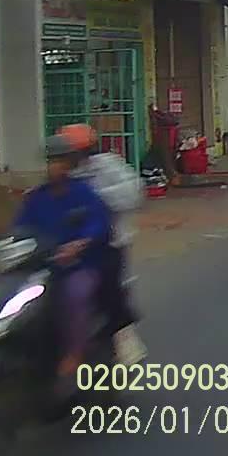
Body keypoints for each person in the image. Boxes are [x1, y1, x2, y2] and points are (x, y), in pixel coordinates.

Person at [13, 135, 113, 383]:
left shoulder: (83, 193)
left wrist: (79, 244)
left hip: (79, 266)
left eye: (59, 161)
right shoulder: (37, 197)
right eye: (51, 161)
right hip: (42, 267)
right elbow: (20, 228)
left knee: (75, 296)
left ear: (69, 164)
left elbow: (99, 223)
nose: (54, 166)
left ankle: (74, 352)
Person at [57, 124, 146, 363]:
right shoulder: (61, 176)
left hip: (109, 242)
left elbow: (134, 193)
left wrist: (94, 197)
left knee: (110, 290)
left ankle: (123, 335)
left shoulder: (107, 167)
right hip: (67, 246)